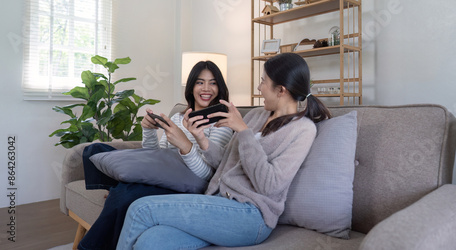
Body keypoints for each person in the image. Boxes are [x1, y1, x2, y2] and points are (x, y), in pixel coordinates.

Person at [116, 53, 332, 249]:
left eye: (263, 81)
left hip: (251, 216)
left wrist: (244, 132)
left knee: (140, 209)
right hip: (219, 203)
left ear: (281, 90)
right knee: (151, 241)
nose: (259, 88)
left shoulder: (302, 130)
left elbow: (270, 185)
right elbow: (225, 162)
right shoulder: (257, 115)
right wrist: (201, 138)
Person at [77, 61, 233, 250]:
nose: (206, 88)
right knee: (95, 150)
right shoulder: (178, 118)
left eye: (213, 83)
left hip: (189, 184)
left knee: (126, 194)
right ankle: (118, 185)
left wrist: (185, 145)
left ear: (220, 87)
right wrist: (148, 130)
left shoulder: (221, 124)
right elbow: (157, 156)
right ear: (191, 87)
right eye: (200, 82)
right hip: (164, 173)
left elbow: (209, 176)